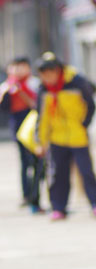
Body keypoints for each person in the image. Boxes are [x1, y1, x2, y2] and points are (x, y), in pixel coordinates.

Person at [35, 51, 96, 220]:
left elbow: (90, 106)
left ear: (58, 70)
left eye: (50, 74)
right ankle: (59, 207)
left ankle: (94, 203)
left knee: (86, 172)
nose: (47, 78)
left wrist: (83, 124)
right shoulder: (43, 90)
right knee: (57, 174)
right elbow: (41, 117)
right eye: (43, 75)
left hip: (78, 136)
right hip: (56, 138)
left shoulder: (77, 82)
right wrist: (40, 141)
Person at [0, 56, 44, 213]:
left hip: (33, 123)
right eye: (15, 67)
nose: (18, 70)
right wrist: (9, 92)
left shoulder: (34, 83)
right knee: (24, 161)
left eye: (22, 67)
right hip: (17, 124)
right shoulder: (5, 86)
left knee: (37, 161)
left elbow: (37, 104)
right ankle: (26, 194)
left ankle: (35, 193)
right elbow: (0, 106)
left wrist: (22, 92)